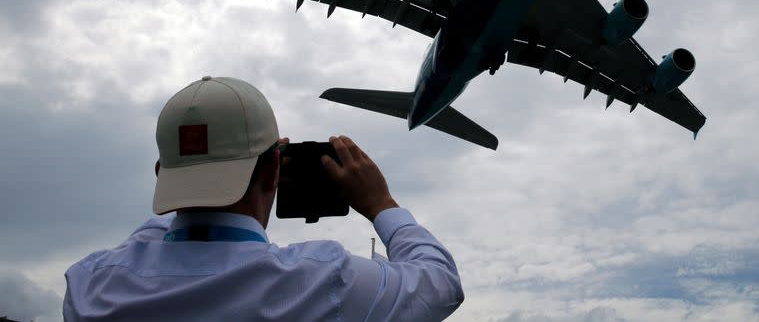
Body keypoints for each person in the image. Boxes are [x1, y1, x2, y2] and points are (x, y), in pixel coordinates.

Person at [63, 76, 464, 321]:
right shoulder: (322, 280)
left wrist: (200, 182)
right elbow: (441, 283)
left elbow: (154, 237)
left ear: (160, 176)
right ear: (275, 168)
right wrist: (381, 204)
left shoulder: (89, 287)